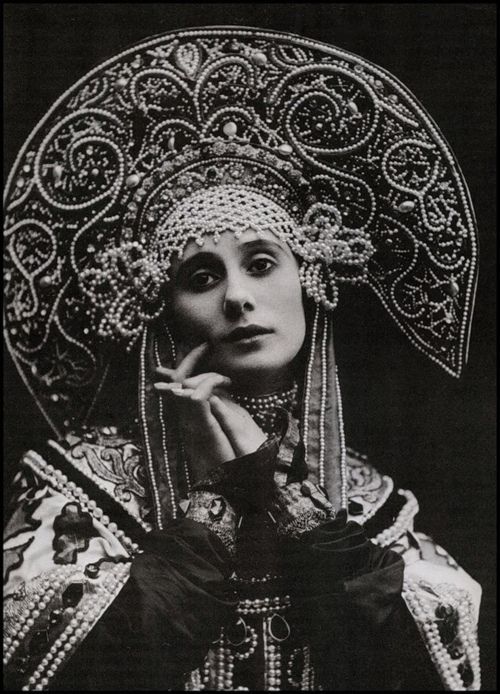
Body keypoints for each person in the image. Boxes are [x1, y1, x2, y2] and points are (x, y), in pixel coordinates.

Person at [3, 27, 481, 691]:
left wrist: (280, 488)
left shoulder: (369, 499)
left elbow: (415, 668)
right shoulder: (82, 486)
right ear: (164, 309)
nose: (236, 297)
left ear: (309, 281)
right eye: (201, 277)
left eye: (260, 263)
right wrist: (212, 500)